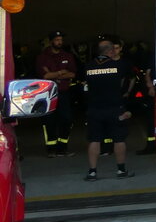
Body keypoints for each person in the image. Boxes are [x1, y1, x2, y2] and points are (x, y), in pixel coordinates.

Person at [82, 40, 135, 181]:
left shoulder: (88, 66)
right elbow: (126, 83)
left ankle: (92, 172)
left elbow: (84, 87)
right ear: (110, 51)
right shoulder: (118, 66)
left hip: (94, 108)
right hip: (115, 107)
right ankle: (121, 170)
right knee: (119, 139)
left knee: (94, 139)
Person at [34, 31, 78, 157]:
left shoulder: (67, 56)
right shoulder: (42, 57)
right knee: (49, 120)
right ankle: (51, 149)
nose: (60, 42)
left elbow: (73, 74)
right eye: (57, 39)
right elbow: (45, 76)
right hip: (47, 94)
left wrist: (54, 74)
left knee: (67, 119)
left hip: (63, 93)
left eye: (61, 39)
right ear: (51, 41)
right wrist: (61, 73)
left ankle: (62, 148)